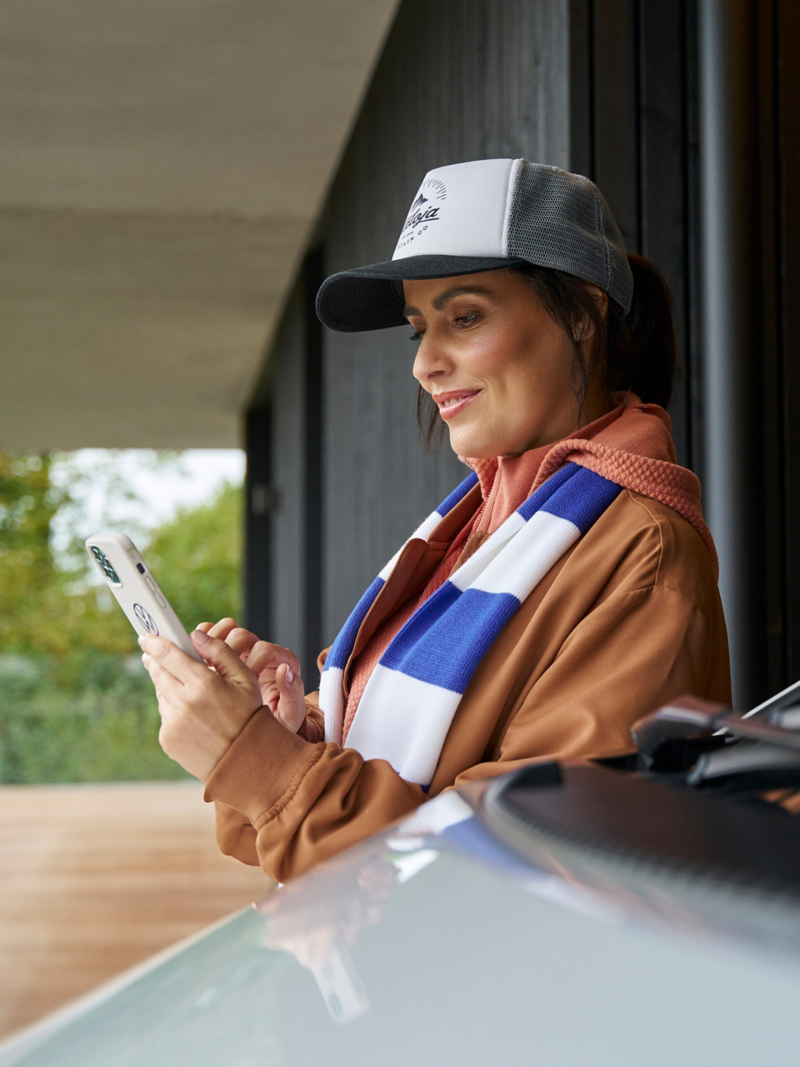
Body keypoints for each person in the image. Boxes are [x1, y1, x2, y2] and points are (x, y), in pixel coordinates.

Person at [140, 159, 731, 882]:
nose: (425, 362)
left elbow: (527, 867)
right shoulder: (475, 527)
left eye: (466, 316)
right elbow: (412, 763)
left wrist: (258, 762)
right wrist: (286, 726)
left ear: (581, 311)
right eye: (419, 328)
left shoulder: (640, 553)